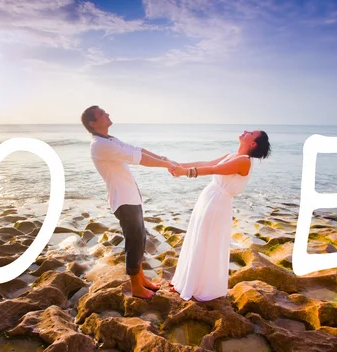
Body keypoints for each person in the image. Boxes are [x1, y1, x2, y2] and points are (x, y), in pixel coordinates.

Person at [81, 105, 178, 299]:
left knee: (140, 239)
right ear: (93, 123)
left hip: (131, 197)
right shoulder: (100, 145)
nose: (107, 113)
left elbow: (137, 149)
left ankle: (141, 279)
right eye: (101, 113)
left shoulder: (109, 139)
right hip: (123, 200)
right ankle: (136, 287)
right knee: (134, 242)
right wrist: (167, 165)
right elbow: (138, 158)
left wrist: (162, 158)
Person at [168, 130, 271, 301]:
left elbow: (212, 169)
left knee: (204, 241)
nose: (245, 131)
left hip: (217, 204)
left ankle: (195, 287)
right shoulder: (232, 154)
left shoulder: (244, 161)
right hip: (209, 197)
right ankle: (185, 282)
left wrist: (184, 173)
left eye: (251, 133)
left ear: (253, 144)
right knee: (196, 237)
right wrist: (179, 165)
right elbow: (206, 162)